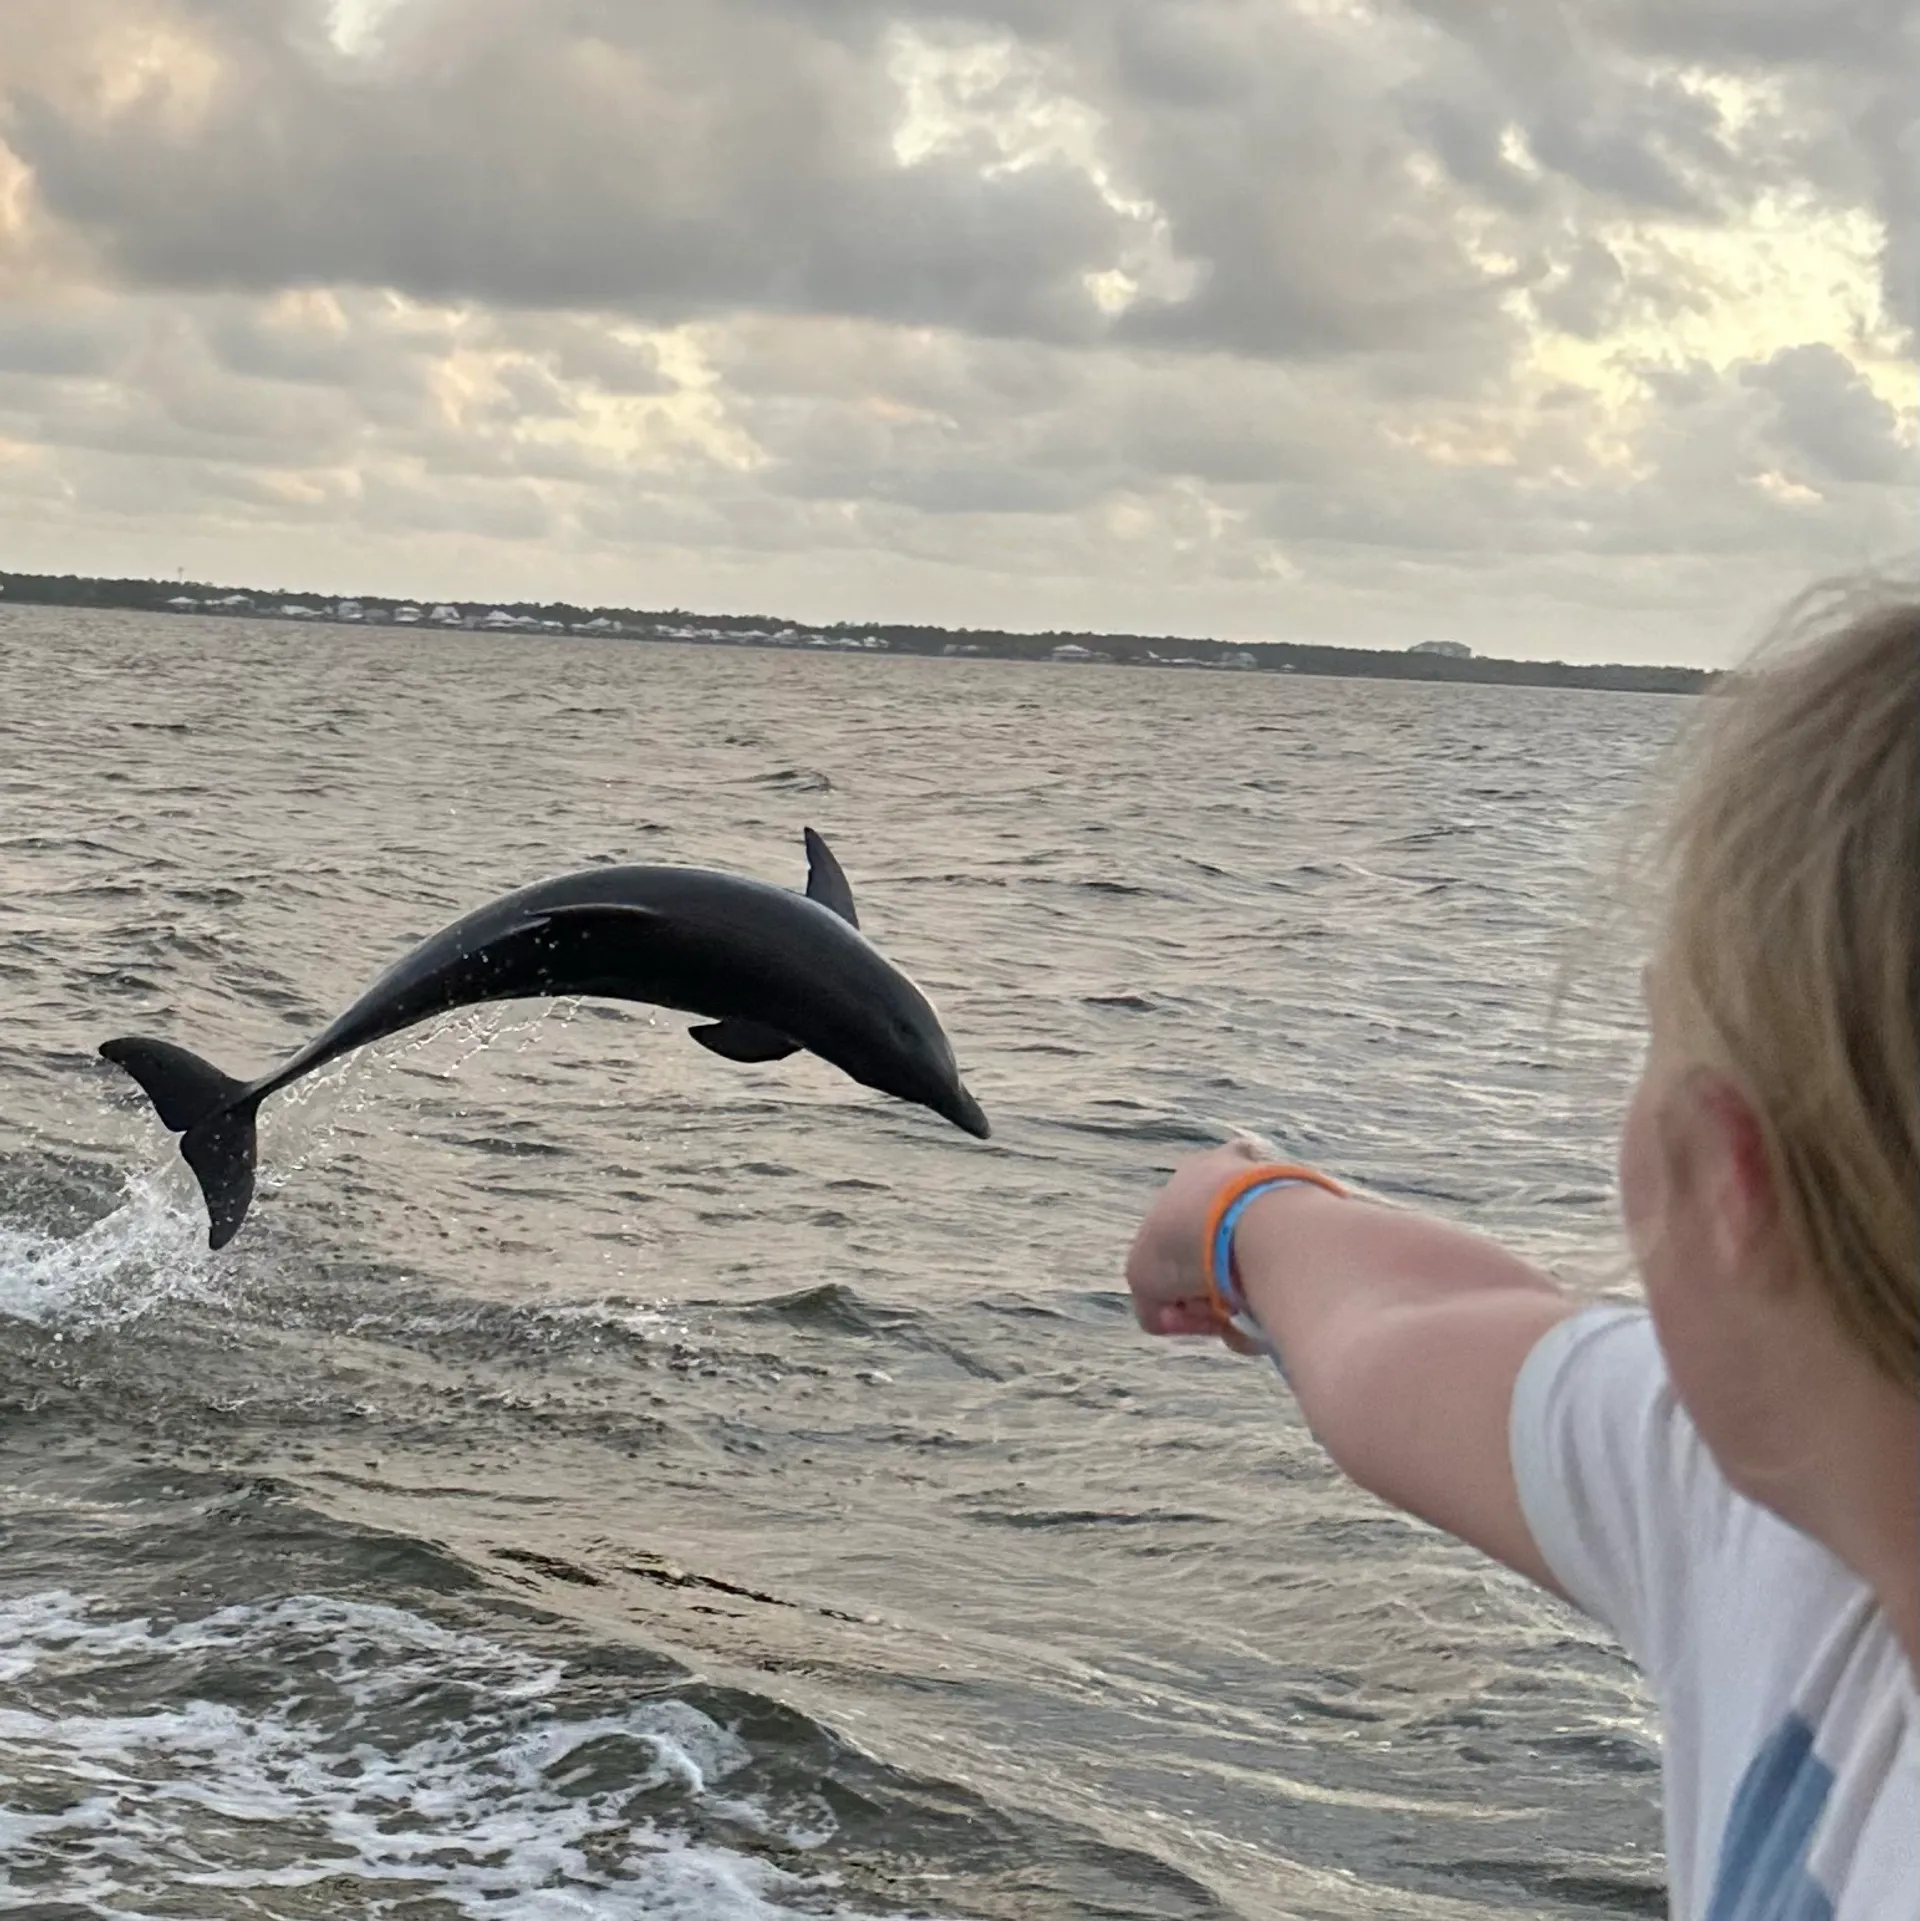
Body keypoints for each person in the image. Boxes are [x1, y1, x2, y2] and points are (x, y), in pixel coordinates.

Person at [1125, 583, 1918, 1919]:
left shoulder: (1772, 1536)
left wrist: (1227, 1213)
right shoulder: (1795, 1483)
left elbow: (1375, 1325)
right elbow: (1393, 1329)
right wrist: (1239, 1217)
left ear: (1736, 1179)